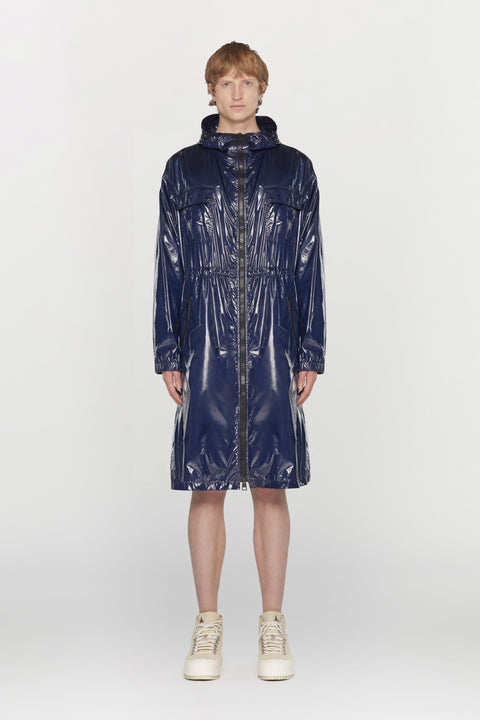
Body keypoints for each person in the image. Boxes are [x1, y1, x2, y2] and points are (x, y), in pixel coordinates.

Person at [152, 41, 326, 681]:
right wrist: (167, 348)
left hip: (275, 341)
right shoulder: (182, 170)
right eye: (224, 82)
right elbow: (169, 262)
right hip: (205, 342)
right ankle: (207, 624)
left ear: (261, 90)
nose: (235, 93)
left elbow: (309, 262)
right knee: (206, 482)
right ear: (211, 90)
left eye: (246, 82)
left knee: (271, 482)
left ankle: (272, 624)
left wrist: (311, 349)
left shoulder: (295, 169)